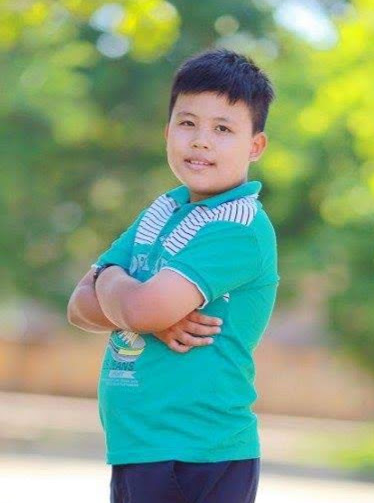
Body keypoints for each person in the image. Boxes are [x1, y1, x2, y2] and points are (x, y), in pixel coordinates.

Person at [67, 47, 279, 503]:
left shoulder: (238, 226)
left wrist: (110, 281)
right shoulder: (162, 210)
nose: (201, 141)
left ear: (255, 146)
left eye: (222, 129)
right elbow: (78, 306)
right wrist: (136, 306)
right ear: (167, 133)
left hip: (199, 455)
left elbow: (136, 307)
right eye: (187, 124)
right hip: (140, 446)